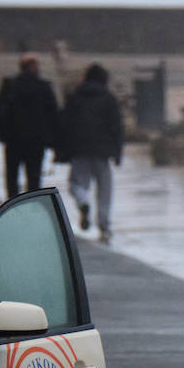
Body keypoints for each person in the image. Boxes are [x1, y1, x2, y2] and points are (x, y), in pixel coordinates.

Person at [59, 63, 123, 245]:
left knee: (77, 184)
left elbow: (65, 124)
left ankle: (83, 202)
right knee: (105, 190)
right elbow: (117, 127)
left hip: (79, 150)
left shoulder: (75, 98)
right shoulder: (109, 99)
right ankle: (104, 226)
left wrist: (63, 151)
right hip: (103, 152)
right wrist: (118, 152)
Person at [0, 55, 60, 199]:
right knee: (34, 178)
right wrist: (54, 140)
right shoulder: (43, 87)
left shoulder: (10, 85)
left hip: (13, 139)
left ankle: (11, 205)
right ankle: (32, 204)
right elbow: (53, 114)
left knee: (12, 178)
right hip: (36, 141)